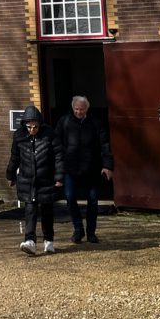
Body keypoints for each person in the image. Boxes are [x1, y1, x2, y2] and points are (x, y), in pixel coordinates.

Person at [54, 95, 114, 243]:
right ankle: (78, 229)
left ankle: (91, 232)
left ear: (87, 109)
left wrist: (107, 166)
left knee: (93, 200)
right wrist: (58, 169)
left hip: (91, 168)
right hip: (70, 168)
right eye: (76, 109)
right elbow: (56, 144)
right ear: (72, 108)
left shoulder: (96, 123)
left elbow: (105, 145)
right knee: (70, 197)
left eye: (81, 109)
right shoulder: (65, 122)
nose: (79, 112)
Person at [6, 105, 64, 255]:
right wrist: (10, 175)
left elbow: (59, 156)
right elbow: (15, 157)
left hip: (46, 178)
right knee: (30, 210)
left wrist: (59, 177)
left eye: (35, 127)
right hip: (27, 179)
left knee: (47, 210)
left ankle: (48, 240)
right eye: (29, 127)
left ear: (40, 124)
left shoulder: (50, 134)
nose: (32, 130)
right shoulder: (19, 136)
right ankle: (30, 240)